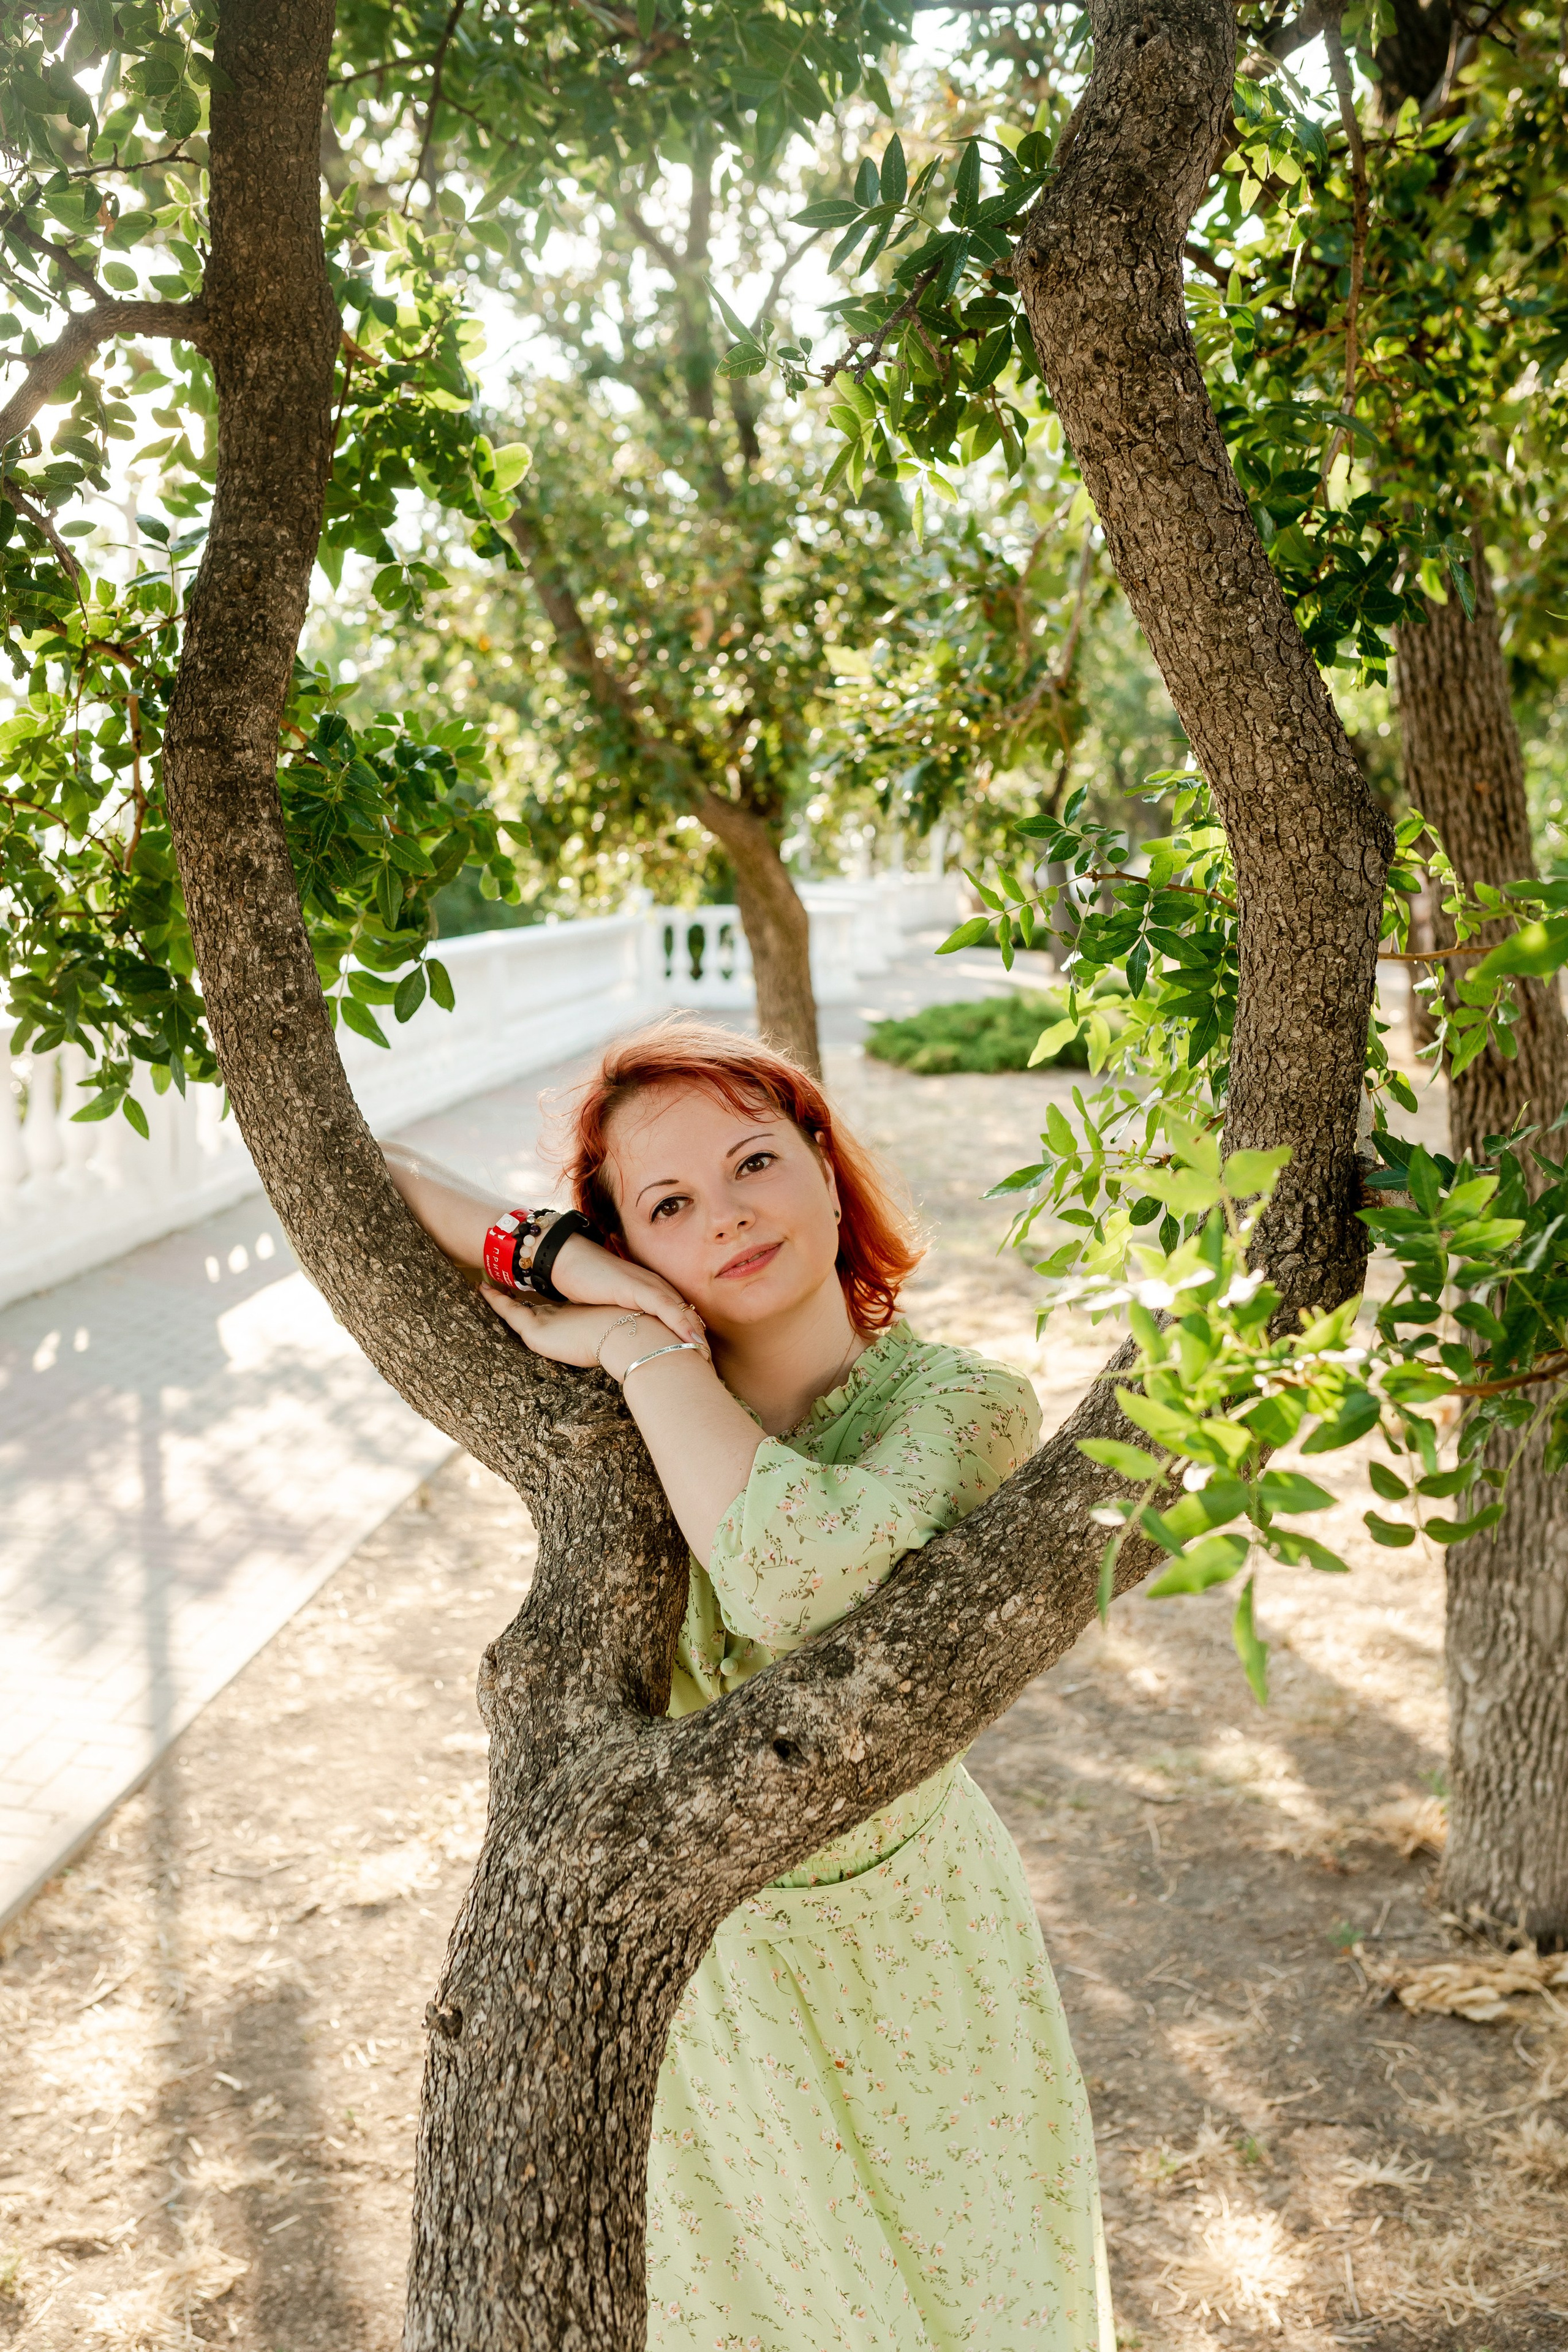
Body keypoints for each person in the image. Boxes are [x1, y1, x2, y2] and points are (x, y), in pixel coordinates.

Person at [384, 1016, 1113, 2352]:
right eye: (669, 1205)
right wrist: (565, 1259)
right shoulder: (622, 1427)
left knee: (965, 2306)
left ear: (827, 1171)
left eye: (754, 1162)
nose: (725, 1215)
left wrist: (632, 1344)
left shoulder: (959, 1403)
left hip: (912, 1953)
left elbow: (789, 1577)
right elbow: (362, 1172)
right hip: (693, 1973)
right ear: (632, 1245)